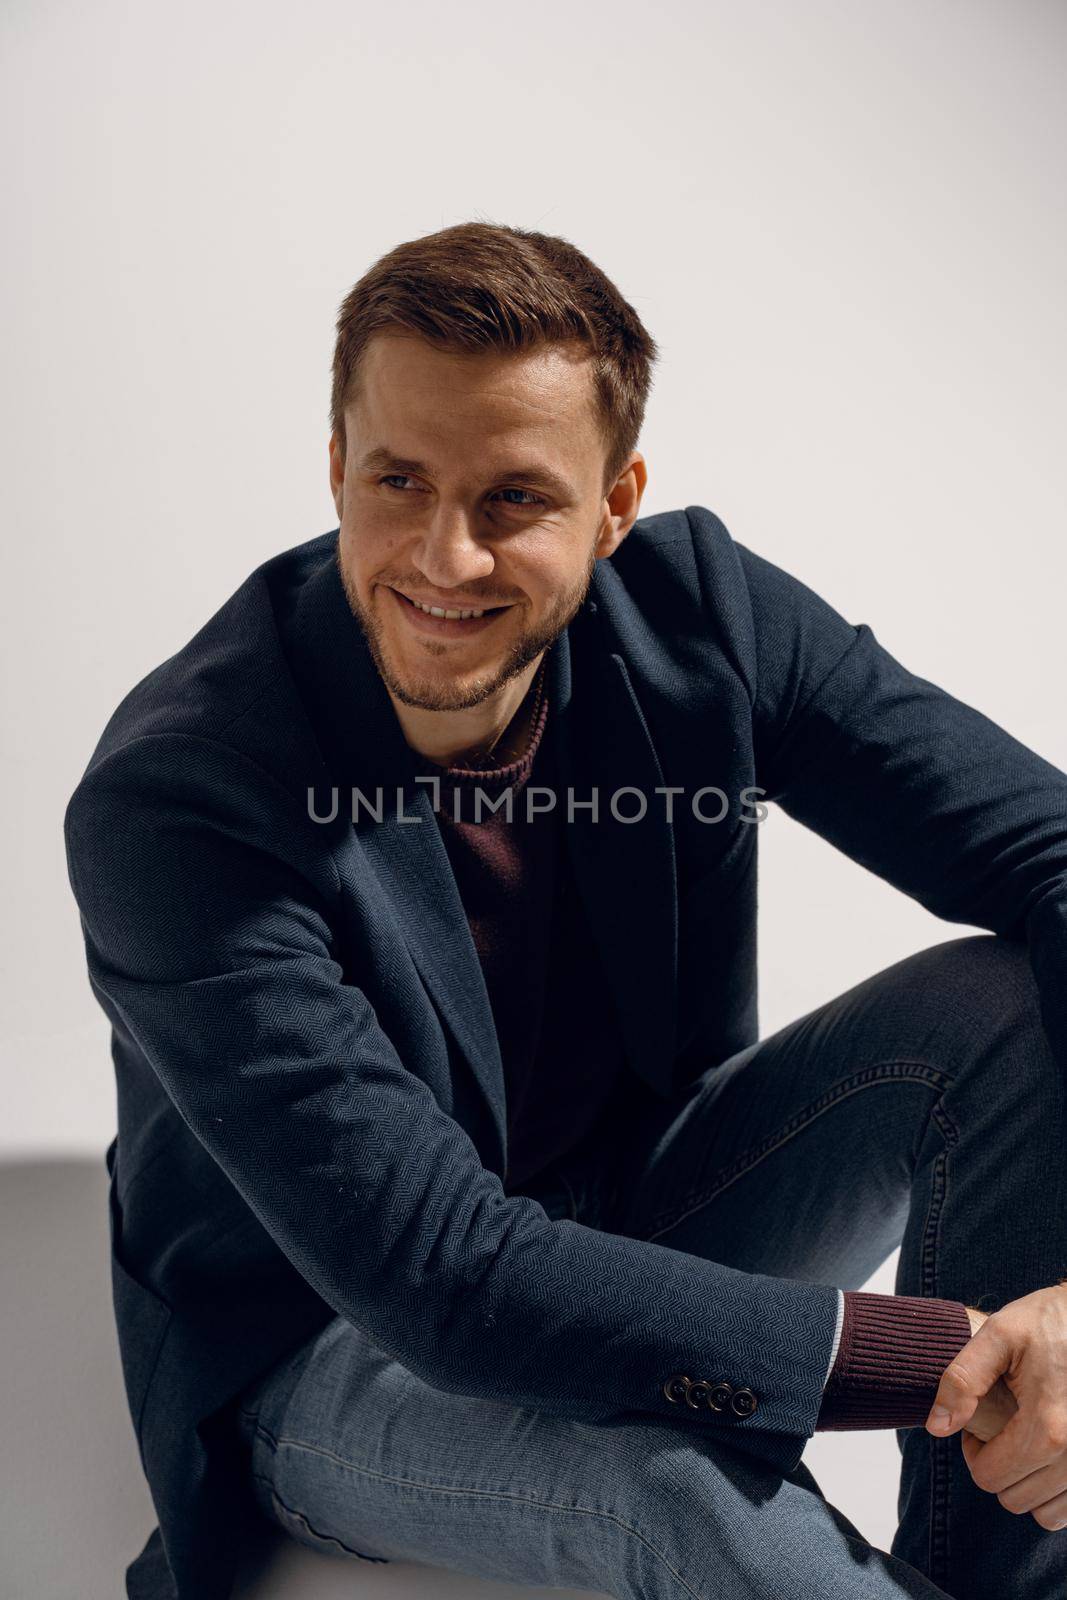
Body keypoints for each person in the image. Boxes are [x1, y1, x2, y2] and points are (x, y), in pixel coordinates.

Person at [63, 220, 1067, 1600]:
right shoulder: (182, 798)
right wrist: (941, 1354)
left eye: (516, 500)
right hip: (334, 1342)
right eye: (396, 480)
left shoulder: (701, 618)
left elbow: (1052, 856)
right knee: (677, 1489)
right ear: (335, 469)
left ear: (615, 503)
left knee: (996, 1008)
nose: (444, 558)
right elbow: (439, 1276)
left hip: (640, 1212)